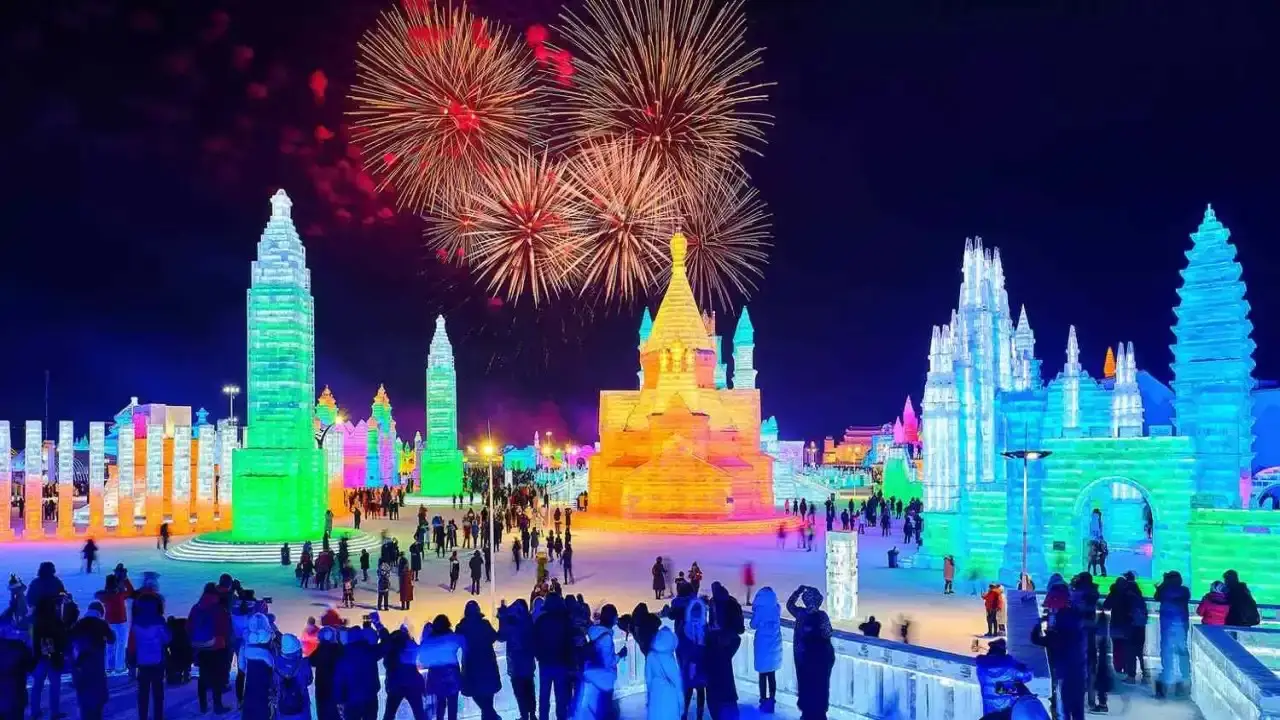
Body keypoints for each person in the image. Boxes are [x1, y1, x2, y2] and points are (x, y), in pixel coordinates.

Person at [787, 585, 834, 720]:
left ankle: (807, 713)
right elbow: (828, 633)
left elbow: (790, 605)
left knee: (805, 685)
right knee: (820, 686)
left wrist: (798, 591)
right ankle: (819, 713)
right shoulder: (822, 616)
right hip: (820, 659)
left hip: (803, 658)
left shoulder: (801, 614)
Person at [189, 582, 233, 714]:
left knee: (202, 677)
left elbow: (189, 626)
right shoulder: (219, 608)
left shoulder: (196, 607)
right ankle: (217, 706)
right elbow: (225, 629)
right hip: (217, 646)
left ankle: (203, 706)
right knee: (217, 677)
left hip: (200, 647)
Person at [69, 600, 115, 720]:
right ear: (100, 612)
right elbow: (112, 639)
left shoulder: (79, 624)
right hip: (96, 666)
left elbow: (70, 644)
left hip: (81, 666)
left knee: (84, 703)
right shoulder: (102, 624)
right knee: (98, 702)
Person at [458, 601, 502, 720]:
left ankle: (491, 716)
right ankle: (492, 716)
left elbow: (457, 642)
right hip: (487, 665)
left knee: (479, 696)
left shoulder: (462, 627)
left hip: (471, 666)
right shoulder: (484, 624)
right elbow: (494, 637)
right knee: (488, 698)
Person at [533, 593, 573, 720]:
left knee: (544, 696)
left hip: (545, 663)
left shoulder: (541, 620)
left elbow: (535, 640)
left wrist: (539, 656)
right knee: (561, 696)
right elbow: (570, 642)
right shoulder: (565, 621)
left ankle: (543, 717)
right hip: (561, 663)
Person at [133, 596, 172, 720]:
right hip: (157, 659)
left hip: (142, 660)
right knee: (158, 691)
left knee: (143, 692)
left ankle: (142, 716)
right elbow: (167, 639)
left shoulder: (136, 621)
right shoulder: (159, 620)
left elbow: (133, 641)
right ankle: (158, 717)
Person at [1154, 570, 1191, 698]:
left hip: (1167, 624)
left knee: (1167, 651)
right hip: (1182, 623)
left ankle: (1167, 682)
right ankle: (1185, 679)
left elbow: (1157, 597)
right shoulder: (1184, 591)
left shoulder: (1164, 590)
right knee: (1182, 650)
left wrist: (1162, 584)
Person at [419, 615, 463, 720]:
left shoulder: (431, 639)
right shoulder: (451, 637)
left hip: (437, 675)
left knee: (440, 703)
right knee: (452, 703)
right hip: (452, 675)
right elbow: (459, 646)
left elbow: (423, 659)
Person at [334, 625, 381, 720]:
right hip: (370, 697)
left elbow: (338, 681)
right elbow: (387, 644)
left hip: (351, 700)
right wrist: (379, 625)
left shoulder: (343, 658)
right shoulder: (371, 652)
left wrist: (339, 700)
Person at [976, 638, 1033, 717]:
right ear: (1003, 651)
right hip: (1007, 711)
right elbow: (1028, 676)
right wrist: (1021, 666)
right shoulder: (1011, 665)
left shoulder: (981, 666)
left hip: (990, 713)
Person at [749, 587, 782, 714]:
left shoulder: (760, 610)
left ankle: (763, 700)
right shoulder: (776, 608)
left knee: (762, 674)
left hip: (762, 645)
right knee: (772, 674)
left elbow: (753, 625)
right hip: (774, 644)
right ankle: (772, 700)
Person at [645, 627, 683, 720]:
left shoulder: (650, 656)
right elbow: (678, 684)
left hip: (655, 694)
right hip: (671, 696)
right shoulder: (670, 659)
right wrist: (681, 707)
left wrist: (649, 697)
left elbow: (648, 680)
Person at [275, 634, 314, 720]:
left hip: (282, 704)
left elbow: (274, 682)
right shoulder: (304, 663)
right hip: (301, 705)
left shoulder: (276, 662)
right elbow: (309, 680)